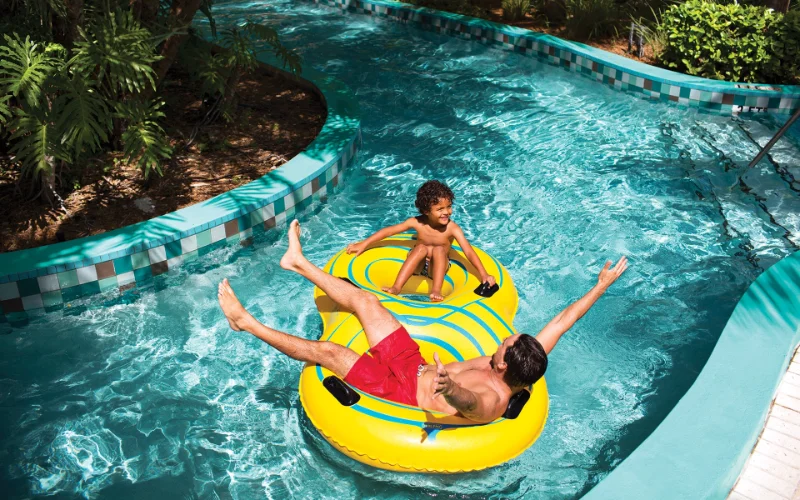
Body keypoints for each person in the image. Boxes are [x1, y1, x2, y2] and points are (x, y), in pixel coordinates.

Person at [218, 220, 628, 424]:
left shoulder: (494, 398)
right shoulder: (523, 361)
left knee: (328, 352)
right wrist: (601, 287)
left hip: (401, 392)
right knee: (365, 300)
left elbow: (470, 404)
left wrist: (450, 388)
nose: (504, 338)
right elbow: (561, 322)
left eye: (504, 344)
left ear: (503, 364)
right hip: (414, 366)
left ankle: (245, 323)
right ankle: (298, 262)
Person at [345, 180, 495, 302]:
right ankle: (397, 287)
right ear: (426, 211)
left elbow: (468, 251)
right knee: (421, 248)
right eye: (440, 209)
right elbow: (389, 231)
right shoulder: (416, 222)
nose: (446, 212)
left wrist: (484, 274)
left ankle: (436, 290)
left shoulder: (452, 228)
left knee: (438, 249)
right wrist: (364, 244)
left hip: (438, 267)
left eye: (449, 207)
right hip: (418, 264)